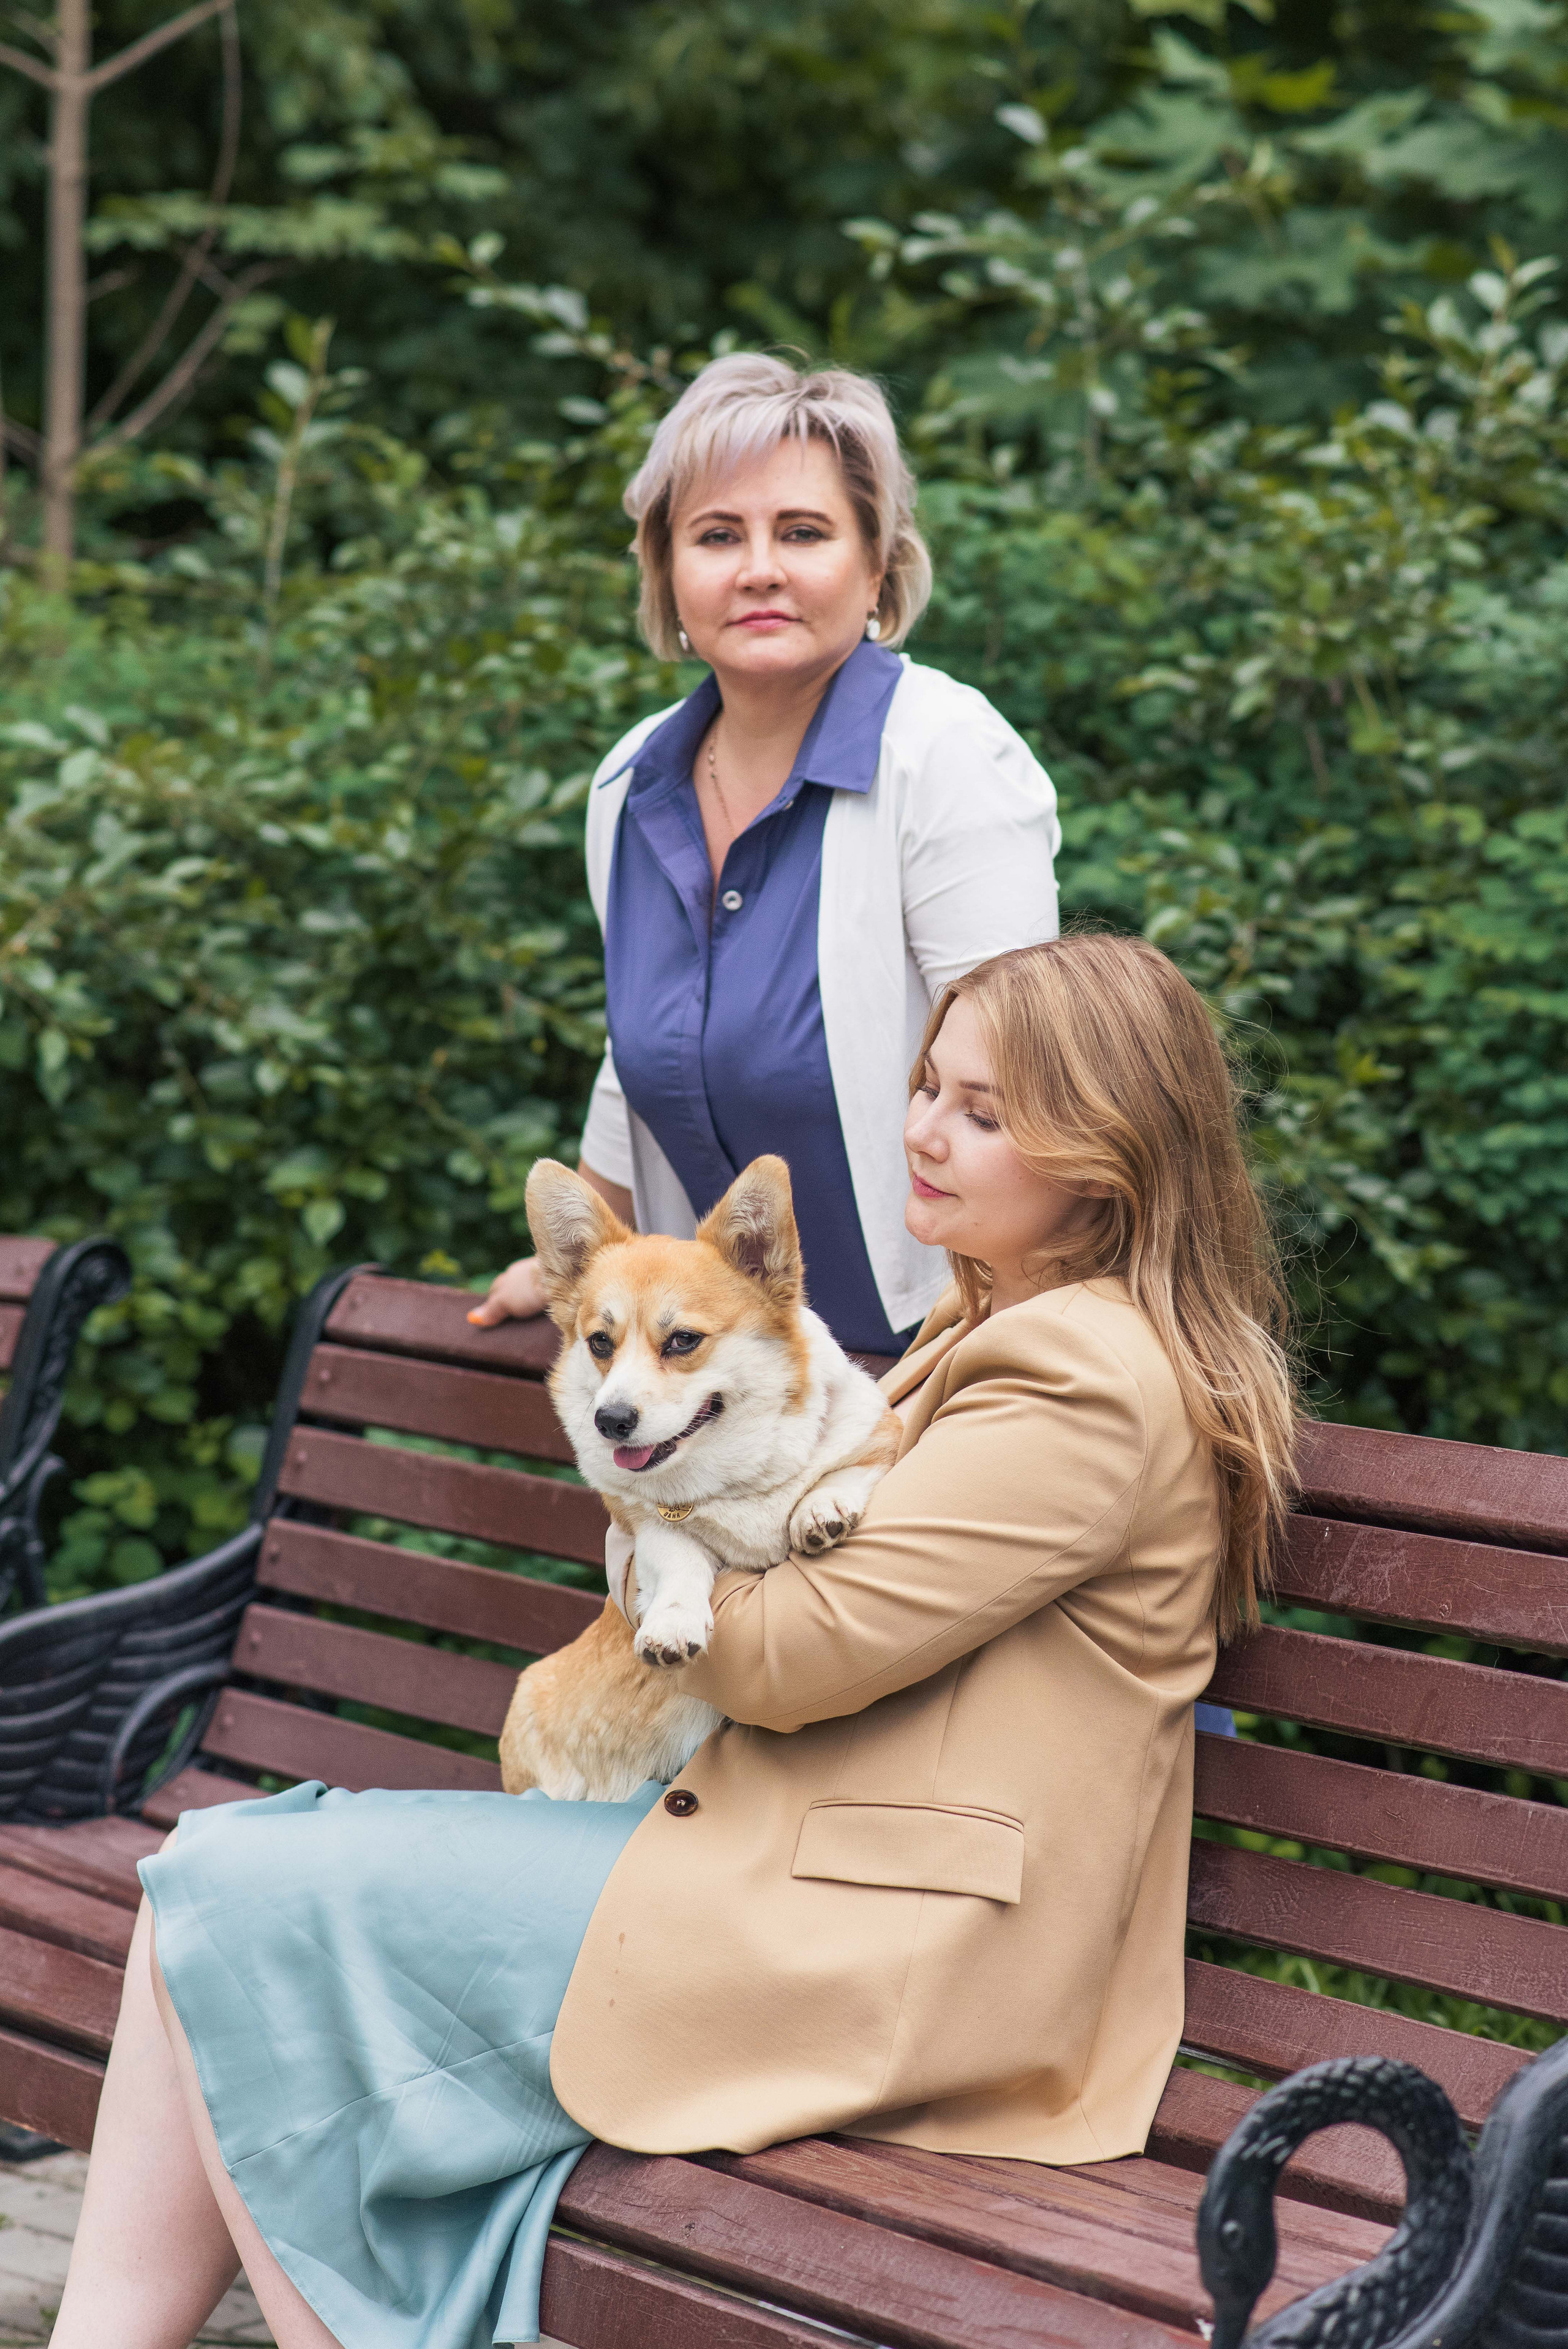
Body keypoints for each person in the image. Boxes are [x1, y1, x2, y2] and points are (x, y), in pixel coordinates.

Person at [51, 935, 1298, 2349]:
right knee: (208, 1884)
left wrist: (653, 1530)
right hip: (795, 1862)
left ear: (1107, 1152)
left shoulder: (1081, 1375)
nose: (922, 1131)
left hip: (895, 1950)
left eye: (985, 1111)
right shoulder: (998, 1324)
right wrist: (664, 1522)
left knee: (234, 1889)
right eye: (927, 1086)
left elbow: (793, 1656)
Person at [469, 350, 1060, 1359]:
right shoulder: (631, 782)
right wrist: (577, 1273)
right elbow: (636, 1065)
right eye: (715, 535)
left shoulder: (947, 758)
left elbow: (1029, 1103)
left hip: (940, 1353)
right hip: (727, 1389)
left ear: (877, 566)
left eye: (802, 531)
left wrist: (998, 1365)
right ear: (666, 573)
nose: (758, 568)